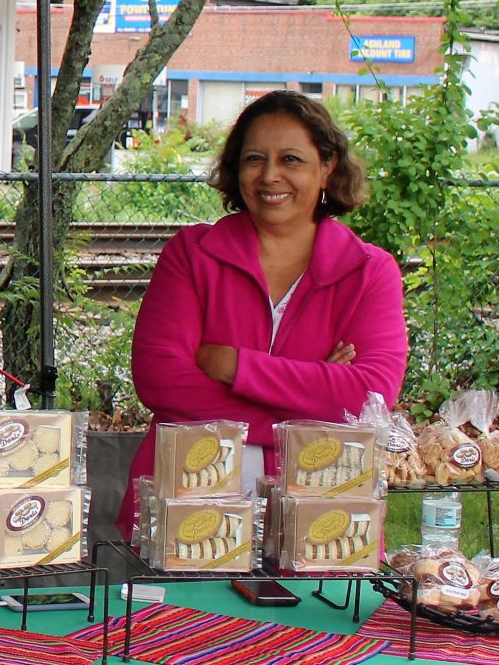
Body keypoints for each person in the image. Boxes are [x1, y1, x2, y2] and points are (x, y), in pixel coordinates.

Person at [122, 91, 408, 531]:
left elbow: (368, 399)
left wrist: (237, 366)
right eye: (254, 159)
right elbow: (159, 379)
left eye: (291, 159)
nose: (270, 175)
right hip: (183, 509)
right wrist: (311, 404)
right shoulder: (192, 254)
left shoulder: (370, 272)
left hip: (319, 520)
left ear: (328, 167)